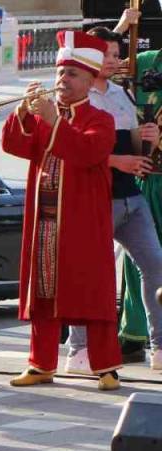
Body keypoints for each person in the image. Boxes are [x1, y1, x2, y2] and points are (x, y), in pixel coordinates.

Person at [2, 31, 121, 391]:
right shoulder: (44, 116)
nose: (61, 81)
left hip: (83, 221)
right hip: (44, 221)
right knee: (42, 290)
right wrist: (21, 113)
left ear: (89, 80)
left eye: (71, 75)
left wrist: (54, 121)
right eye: (59, 74)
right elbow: (13, 146)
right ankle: (40, 363)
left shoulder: (101, 119)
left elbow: (86, 153)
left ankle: (107, 367)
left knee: (93, 290)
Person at [65, 27, 162, 374]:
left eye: (117, 54)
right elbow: (70, 150)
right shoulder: (76, 94)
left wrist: (145, 138)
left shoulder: (123, 93)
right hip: (94, 196)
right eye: (107, 54)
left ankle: (159, 347)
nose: (114, 60)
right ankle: (78, 347)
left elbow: (132, 146)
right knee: (89, 273)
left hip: (131, 196)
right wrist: (116, 161)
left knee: (156, 266)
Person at [119, 8, 162, 371]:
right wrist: (123, 27)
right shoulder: (146, 60)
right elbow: (103, 68)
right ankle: (134, 334)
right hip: (145, 177)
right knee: (140, 263)